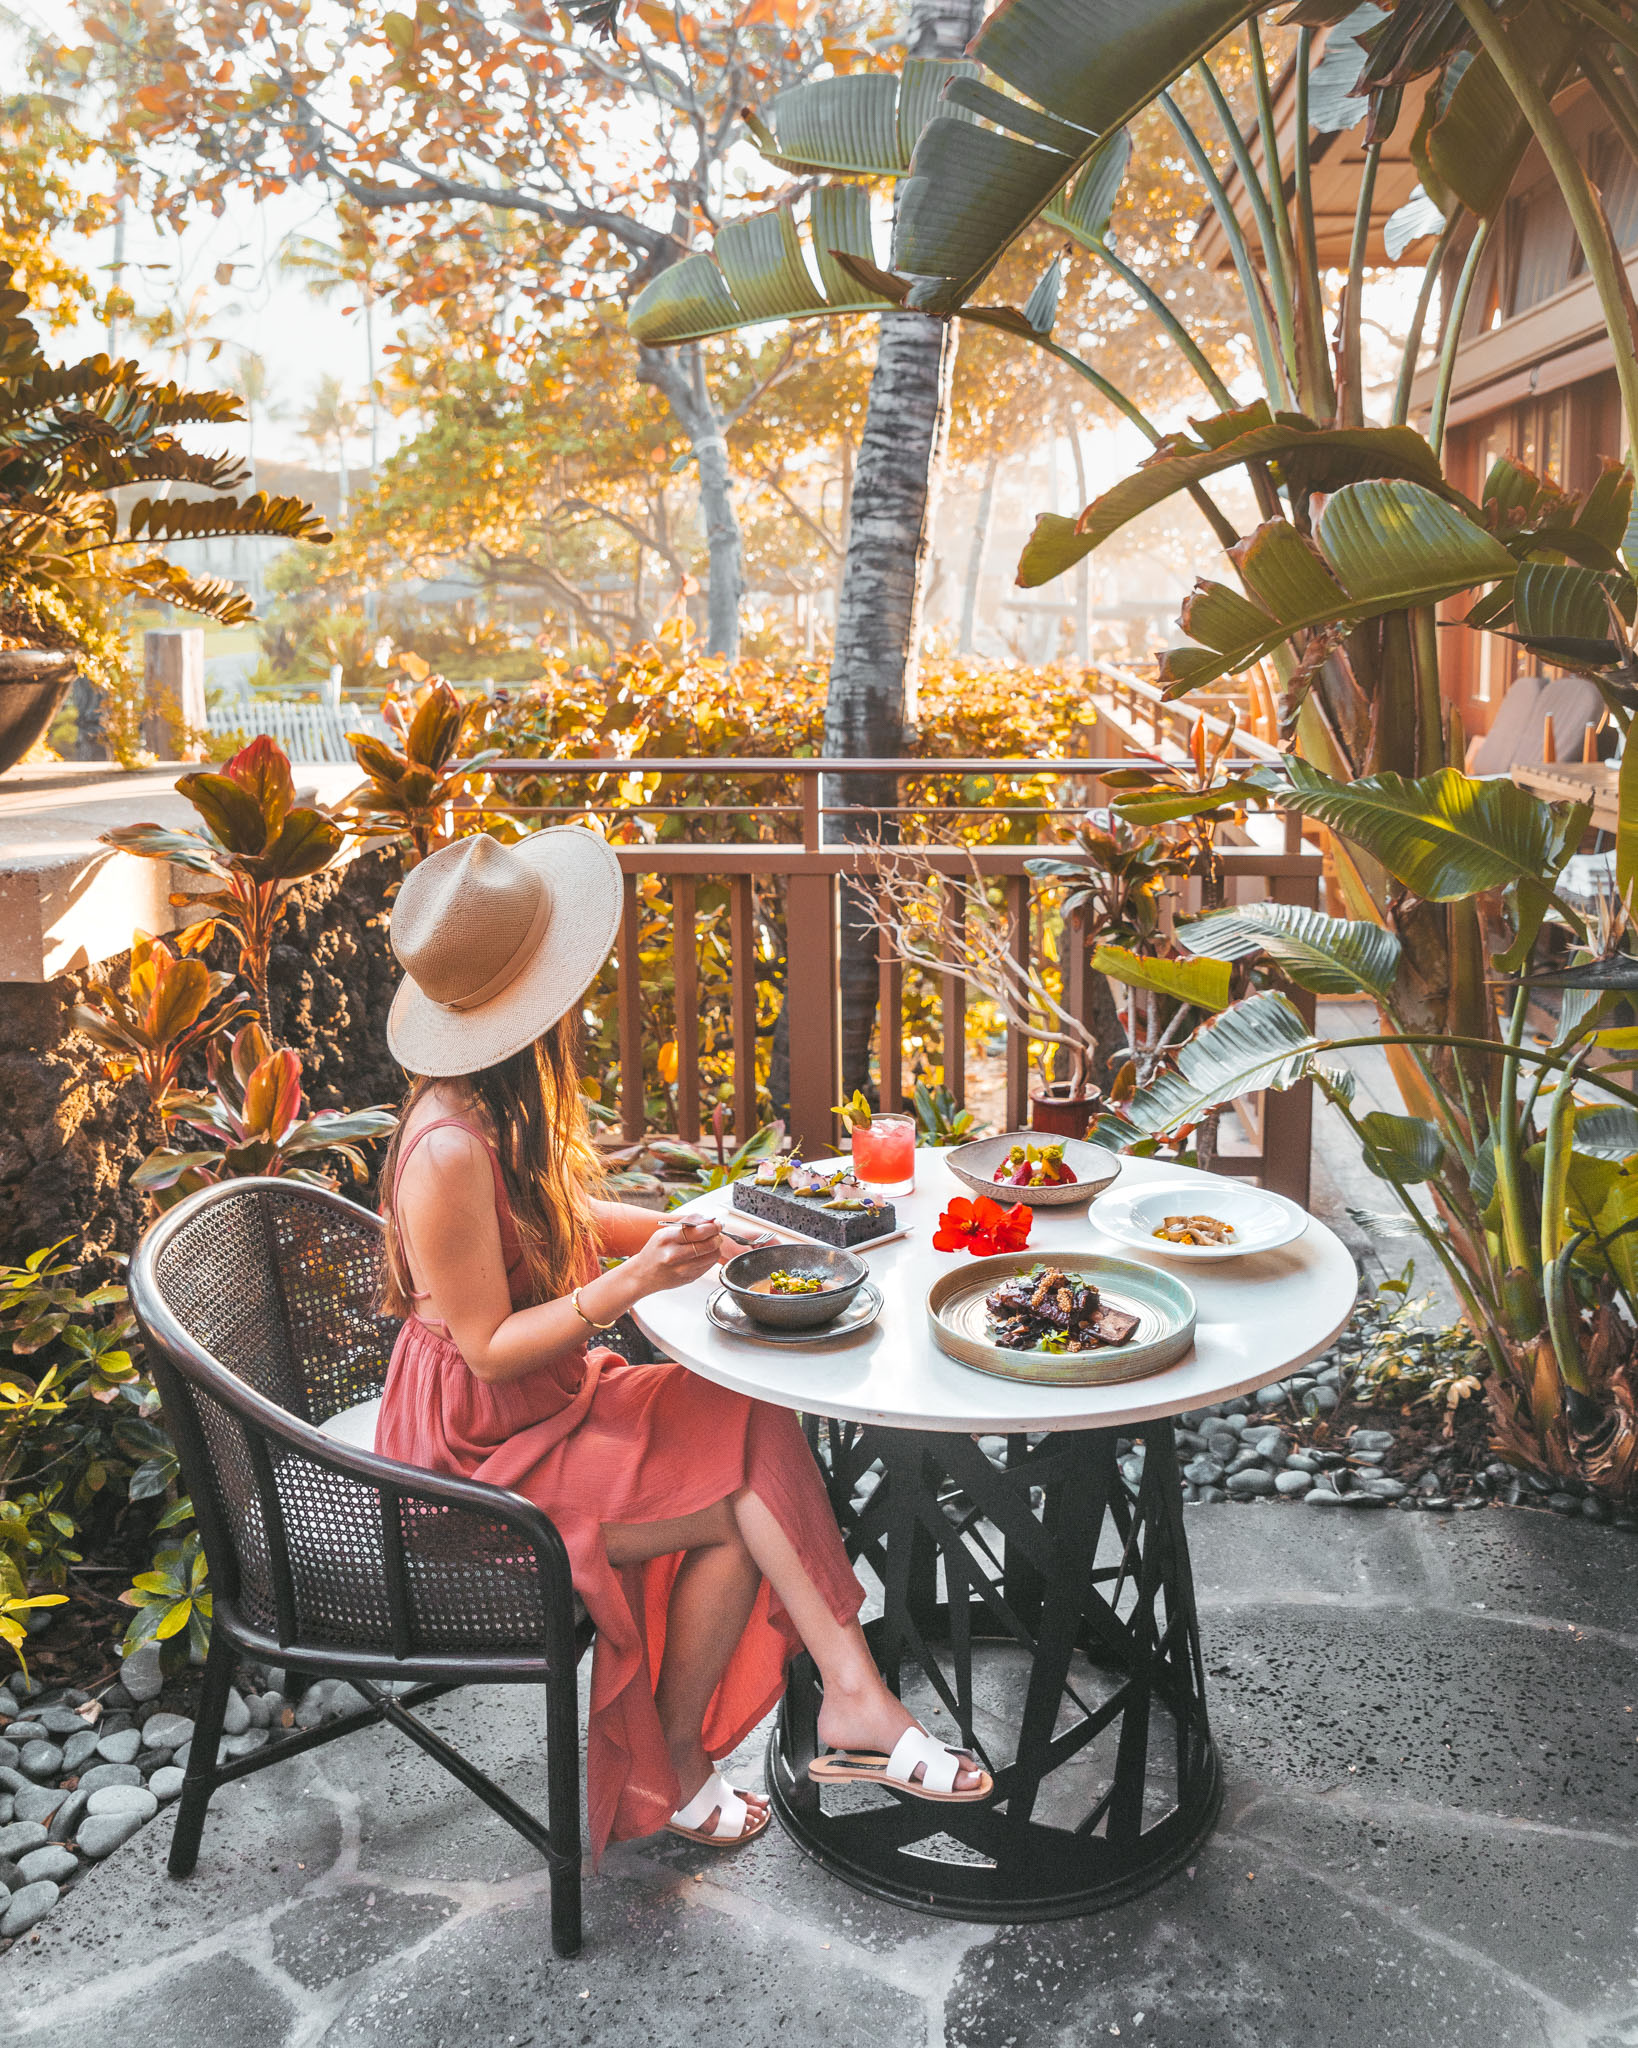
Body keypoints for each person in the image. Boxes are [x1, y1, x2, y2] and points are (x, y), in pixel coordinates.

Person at [376, 829, 989, 1863]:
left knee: (749, 1411)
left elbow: (557, 1220)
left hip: (548, 1403)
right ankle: (767, 1728)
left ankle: (841, 1699)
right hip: (479, 1457)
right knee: (740, 1508)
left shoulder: (500, 1101)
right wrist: (634, 1282)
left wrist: (696, 1236)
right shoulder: (444, 1148)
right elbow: (484, 1347)